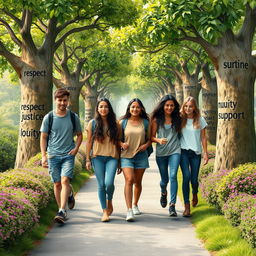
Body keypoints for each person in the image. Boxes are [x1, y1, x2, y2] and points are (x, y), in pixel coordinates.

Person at [40, 88, 83, 224]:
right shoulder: (49, 117)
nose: (62, 103)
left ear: (68, 101)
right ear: (55, 100)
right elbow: (43, 137)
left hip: (68, 154)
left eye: (65, 100)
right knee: (57, 183)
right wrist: (43, 155)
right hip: (53, 155)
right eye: (60, 100)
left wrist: (76, 148)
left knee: (64, 181)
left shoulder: (73, 117)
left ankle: (62, 211)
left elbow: (80, 135)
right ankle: (67, 197)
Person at [86, 98, 120, 222]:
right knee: (101, 185)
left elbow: (118, 142)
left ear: (109, 108)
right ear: (97, 109)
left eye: (106, 106)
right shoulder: (92, 123)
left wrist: (120, 162)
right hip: (97, 157)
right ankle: (104, 211)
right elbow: (89, 142)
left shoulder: (116, 124)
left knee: (109, 183)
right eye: (101, 107)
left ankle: (109, 200)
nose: (103, 109)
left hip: (112, 157)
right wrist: (87, 159)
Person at [120, 98, 151, 222]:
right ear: (129, 108)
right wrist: (121, 144)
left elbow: (150, 138)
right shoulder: (122, 122)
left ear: (141, 109)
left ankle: (135, 204)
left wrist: (146, 145)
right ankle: (129, 210)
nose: (135, 109)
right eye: (133, 107)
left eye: (137, 107)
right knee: (129, 179)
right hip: (126, 156)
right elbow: (116, 139)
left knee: (137, 182)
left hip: (141, 156)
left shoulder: (146, 122)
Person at [151, 94, 182, 217]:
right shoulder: (156, 120)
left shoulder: (178, 118)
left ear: (175, 107)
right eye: (167, 105)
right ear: (163, 106)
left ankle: (172, 205)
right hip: (161, 153)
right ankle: (163, 192)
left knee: (173, 175)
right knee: (165, 180)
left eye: (172, 105)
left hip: (175, 150)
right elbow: (151, 137)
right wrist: (158, 140)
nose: (169, 107)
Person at [180, 96, 209, 217]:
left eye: (190, 106)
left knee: (194, 179)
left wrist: (206, 153)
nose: (188, 108)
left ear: (194, 107)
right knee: (186, 177)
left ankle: (195, 193)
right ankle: (187, 207)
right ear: (183, 107)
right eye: (186, 106)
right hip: (183, 152)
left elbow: (203, 137)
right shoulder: (180, 119)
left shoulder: (200, 120)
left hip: (196, 154)